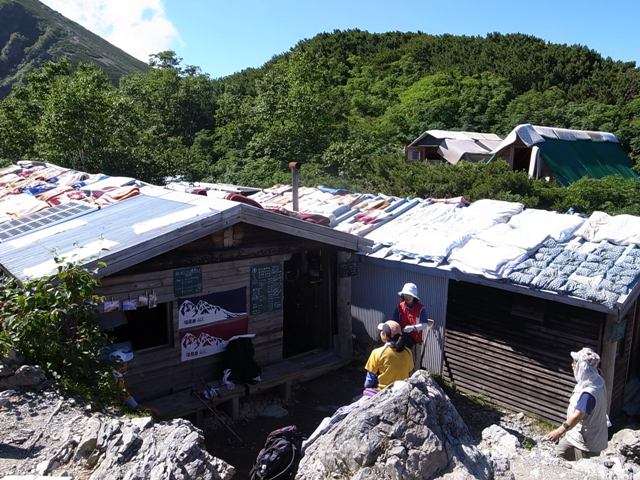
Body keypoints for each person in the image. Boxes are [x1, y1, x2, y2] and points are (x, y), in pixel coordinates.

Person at [544, 347, 610, 460]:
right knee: (559, 455)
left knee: (583, 467)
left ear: (582, 367)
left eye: (575, 363)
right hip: (575, 433)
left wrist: (558, 432)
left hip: (586, 442)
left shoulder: (589, 393)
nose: (572, 365)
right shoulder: (596, 380)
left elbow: (577, 416)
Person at [363, 320, 413, 396]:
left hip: (384, 392)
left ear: (384, 335)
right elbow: (409, 372)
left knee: (366, 391)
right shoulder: (408, 351)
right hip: (402, 390)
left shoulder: (377, 353)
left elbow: (369, 382)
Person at [392, 282, 428, 368]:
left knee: (414, 364)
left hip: (415, 341)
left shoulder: (420, 308)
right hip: (402, 338)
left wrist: (413, 328)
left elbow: (425, 324)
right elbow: (394, 321)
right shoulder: (400, 307)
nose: (407, 297)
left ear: (414, 296)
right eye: (406, 294)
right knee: (401, 362)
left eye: (410, 295)